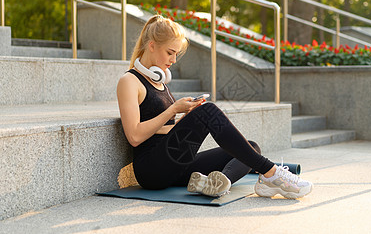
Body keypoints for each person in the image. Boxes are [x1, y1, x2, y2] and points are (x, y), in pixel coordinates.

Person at [117, 14, 313, 199]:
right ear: (151, 46)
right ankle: (272, 173)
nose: (174, 60)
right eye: (170, 53)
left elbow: (159, 129)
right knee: (208, 111)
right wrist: (173, 110)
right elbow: (134, 136)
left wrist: (184, 121)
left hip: (175, 163)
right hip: (152, 170)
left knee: (252, 147)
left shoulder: (160, 83)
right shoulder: (129, 81)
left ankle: (217, 183)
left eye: (176, 54)